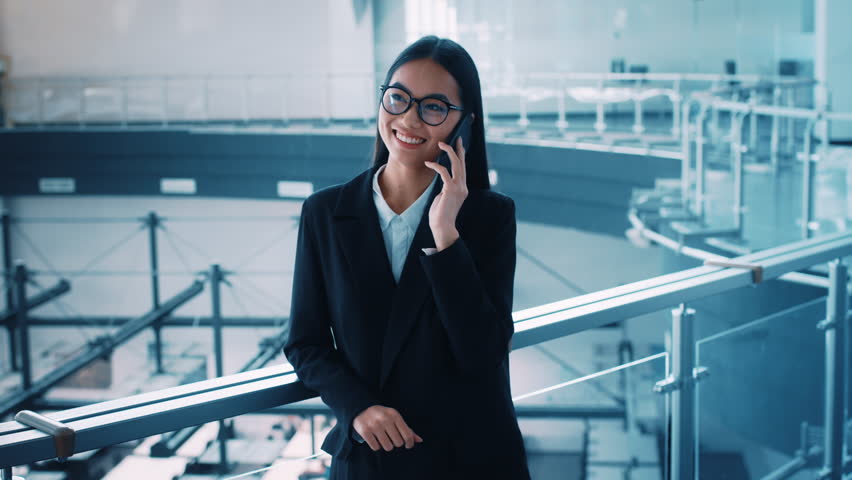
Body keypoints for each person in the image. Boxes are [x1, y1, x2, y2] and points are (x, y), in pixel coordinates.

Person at [283, 35, 530, 479]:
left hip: (469, 461)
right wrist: (357, 406)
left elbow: (483, 353)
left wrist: (445, 236)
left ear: (464, 124)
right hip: (371, 459)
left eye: (434, 107)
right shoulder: (324, 212)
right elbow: (306, 343)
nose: (409, 119)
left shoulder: (489, 217)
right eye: (398, 98)